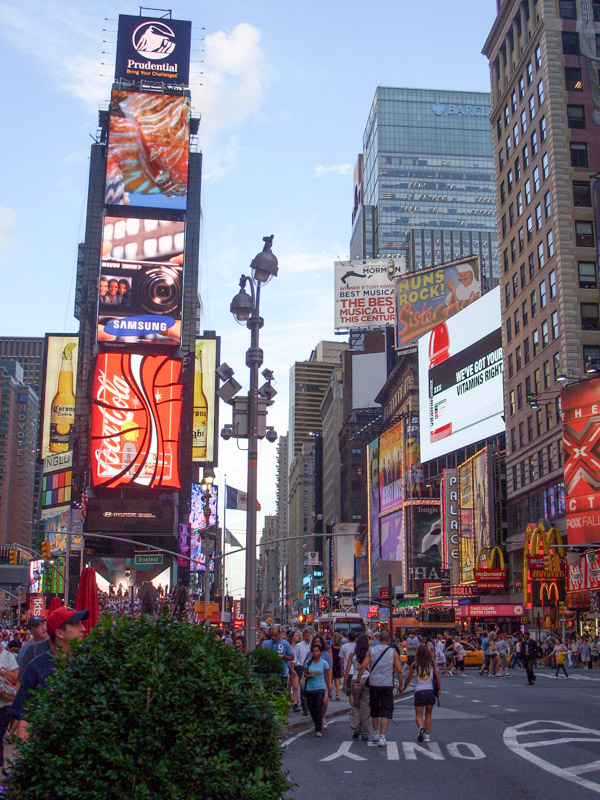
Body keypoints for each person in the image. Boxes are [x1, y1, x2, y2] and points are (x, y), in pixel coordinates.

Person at [12, 607, 89, 741]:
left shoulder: (89, 663)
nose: (83, 629)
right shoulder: (37, 666)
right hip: (50, 749)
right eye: (76, 625)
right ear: (59, 633)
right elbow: (24, 717)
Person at [356, 629, 404, 747]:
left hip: (374, 684)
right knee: (385, 711)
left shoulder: (371, 650)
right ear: (388, 640)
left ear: (379, 639)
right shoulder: (392, 652)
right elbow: (399, 670)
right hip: (387, 684)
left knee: (375, 709)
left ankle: (376, 733)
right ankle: (383, 736)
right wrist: (401, 685)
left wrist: (358, 680)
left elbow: (363, 666)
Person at [403, 644, 441, 743]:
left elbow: (409, 678)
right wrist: (439, 689)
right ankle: (427, 735)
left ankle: (420, 727)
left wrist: (403, 688)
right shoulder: (432, 664)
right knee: (428, 714)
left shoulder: (415, 665)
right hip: (430, 690)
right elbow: (437, 676)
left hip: (419, 690)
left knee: (419, 714)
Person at [346, 633, 371, 741]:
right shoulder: (369, 654)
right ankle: (364, 731)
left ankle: (355, 726)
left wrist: (345, 683)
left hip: (355, 679)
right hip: (367, 679)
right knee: (365, 706)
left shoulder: (352, 655)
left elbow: (347, 669)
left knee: (355, 705)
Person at [304, 644, 330, 736]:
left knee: (319, 707)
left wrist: (329, 687)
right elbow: (305, 674)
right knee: (311, 707)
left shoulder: (324, 663)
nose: (315, 653)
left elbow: (327, 676)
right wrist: (310, 675)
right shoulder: (308, 662)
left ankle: (318, 728)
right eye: (314, 651)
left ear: (320, 652)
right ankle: (316, 722)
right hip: (310, 687)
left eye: (317, 651)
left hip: (320, 687)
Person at [292, 628, 312, 716]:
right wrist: (293, 668)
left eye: (308, 636)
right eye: (305, 636)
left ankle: (310, 706)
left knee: (310, 688)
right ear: (303, 636)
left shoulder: (312, 645)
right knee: (303, 688)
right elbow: (295, 658)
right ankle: (305, 709)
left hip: (311, 667)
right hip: (301, 667)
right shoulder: (299, 645)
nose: (307, 638)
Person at [339, 630, 357, 706]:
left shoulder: (344, 647)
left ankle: (352, 706)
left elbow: (341, 660)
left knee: (350, 692)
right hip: (357, 671)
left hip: (348, 671)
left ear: (347, 638)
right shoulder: (358, 646)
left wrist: (342, 669)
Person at [331, 632, 343, 700]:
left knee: (330, 679)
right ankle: (337, 694)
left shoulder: (331, 646)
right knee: (337, 679)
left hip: (332, 663)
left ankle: (329, 692)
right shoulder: (341, 647)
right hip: (338, 663)